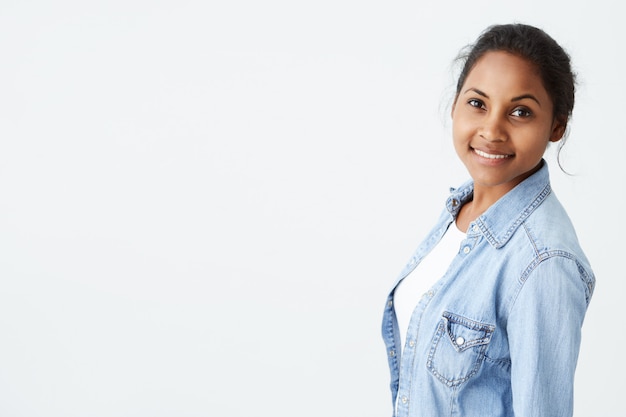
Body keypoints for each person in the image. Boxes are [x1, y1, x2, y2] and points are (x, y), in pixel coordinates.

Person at [381, 23, 595, 417]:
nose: (492, 130)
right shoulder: (461, 209)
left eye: (520, 112)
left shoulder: (544, 261)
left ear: (556, 126)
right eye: (478, 103)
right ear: (455, 105)